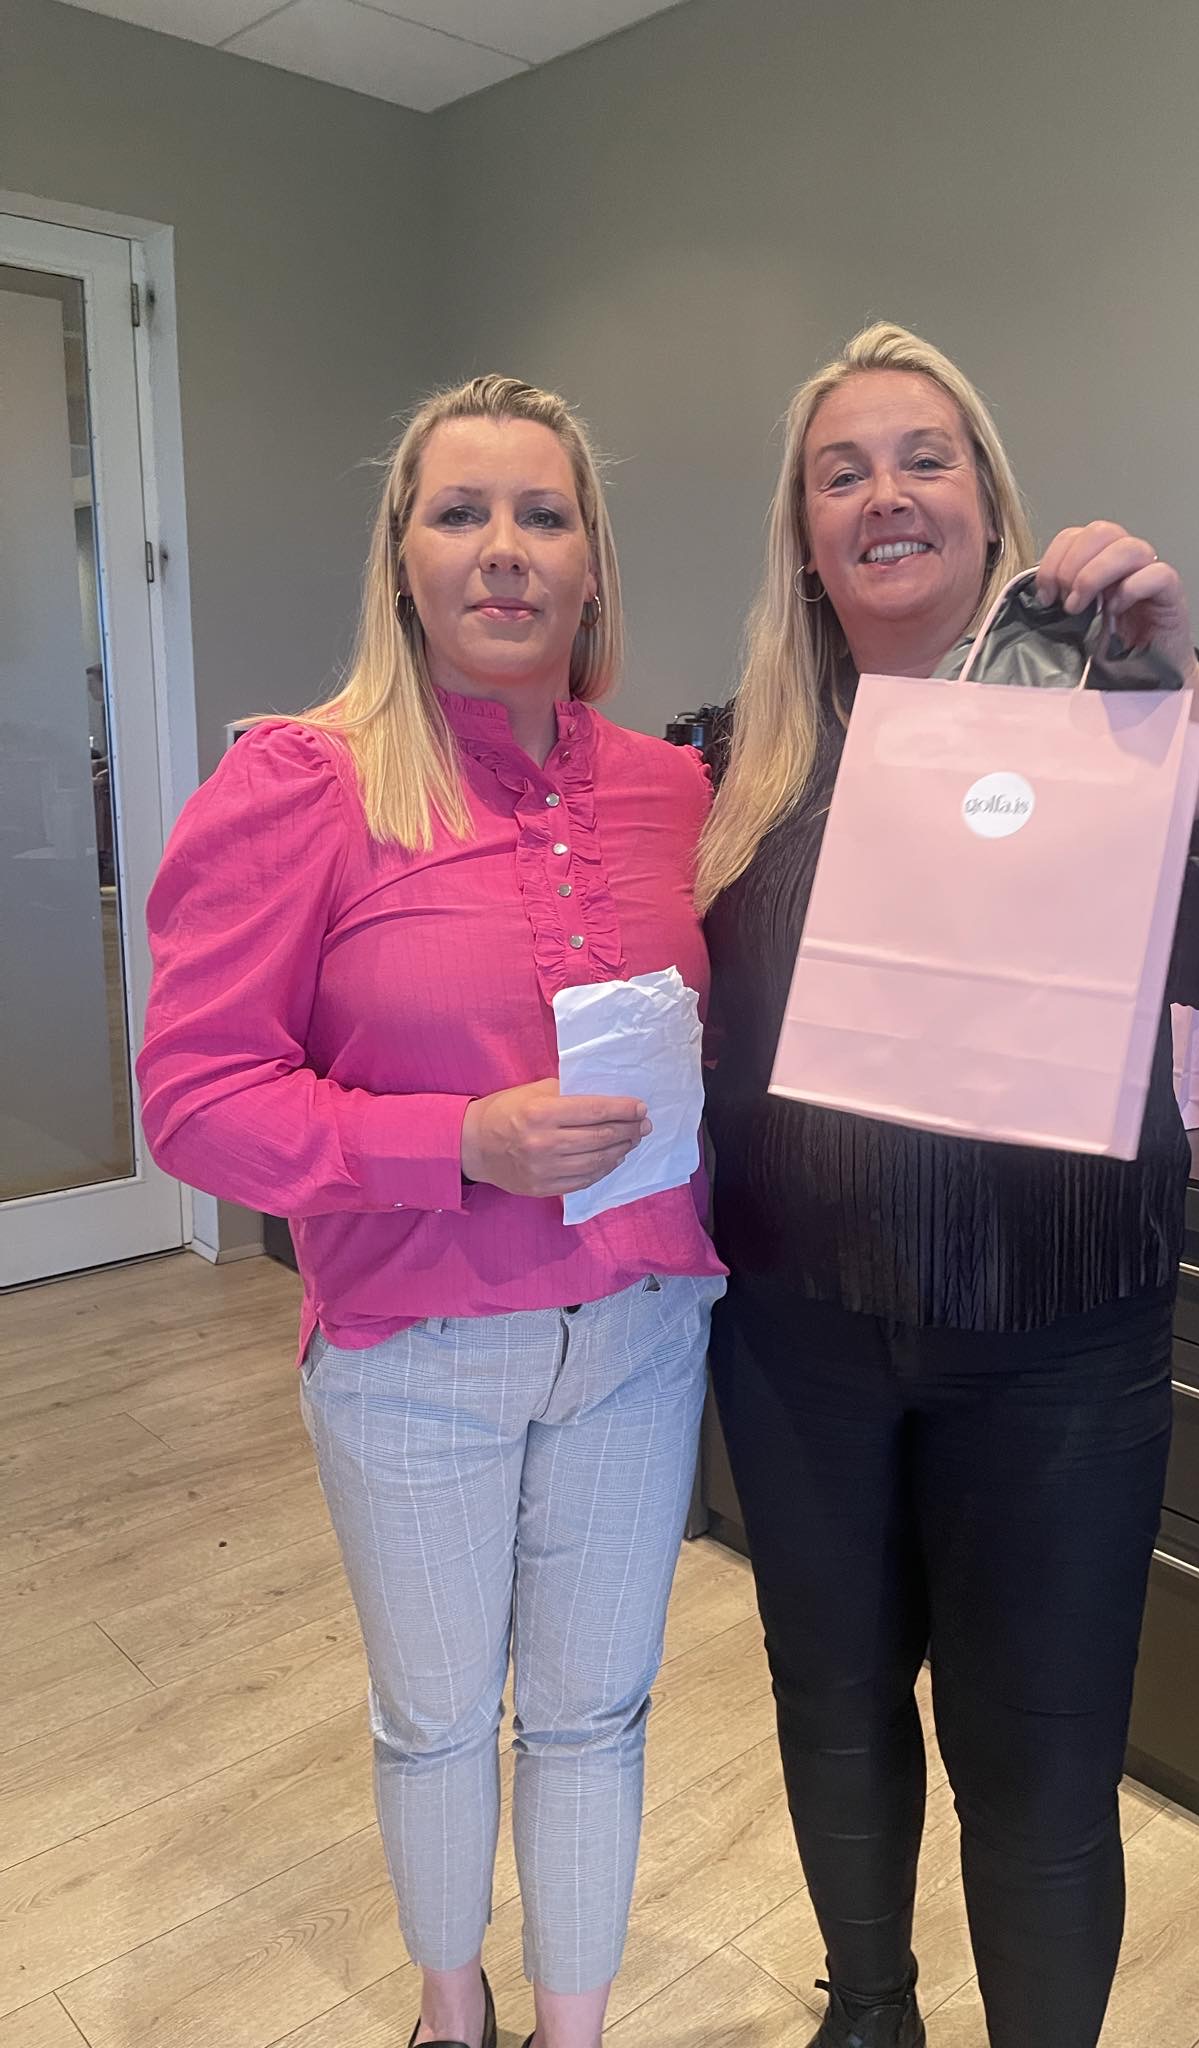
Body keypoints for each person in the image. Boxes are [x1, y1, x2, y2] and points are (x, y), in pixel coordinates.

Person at [696, 323, 1199, 2048]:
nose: (886, 494)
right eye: (841, 471)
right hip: (799, 1342)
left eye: (925, 458)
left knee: (1041, 1770)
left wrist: (1190, 715)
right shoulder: (746, 753)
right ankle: (869, 2015)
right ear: (804, 535)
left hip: (1060, 1347)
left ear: (989, 504)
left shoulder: (1117, 696)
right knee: (834, 1708)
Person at [138, 376, 725, 2048]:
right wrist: (453, 1140)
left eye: (543, 514)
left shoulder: (672, 791)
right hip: (415, 1354)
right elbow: (194, 1098)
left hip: (641, 1333)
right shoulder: (303, 784)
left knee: (598, 1716)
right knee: (439, 1720)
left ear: (592, 563)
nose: (504, 549)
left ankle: (573, 2031)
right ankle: (449, 2012)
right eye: (460, 513)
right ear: (402, 557)